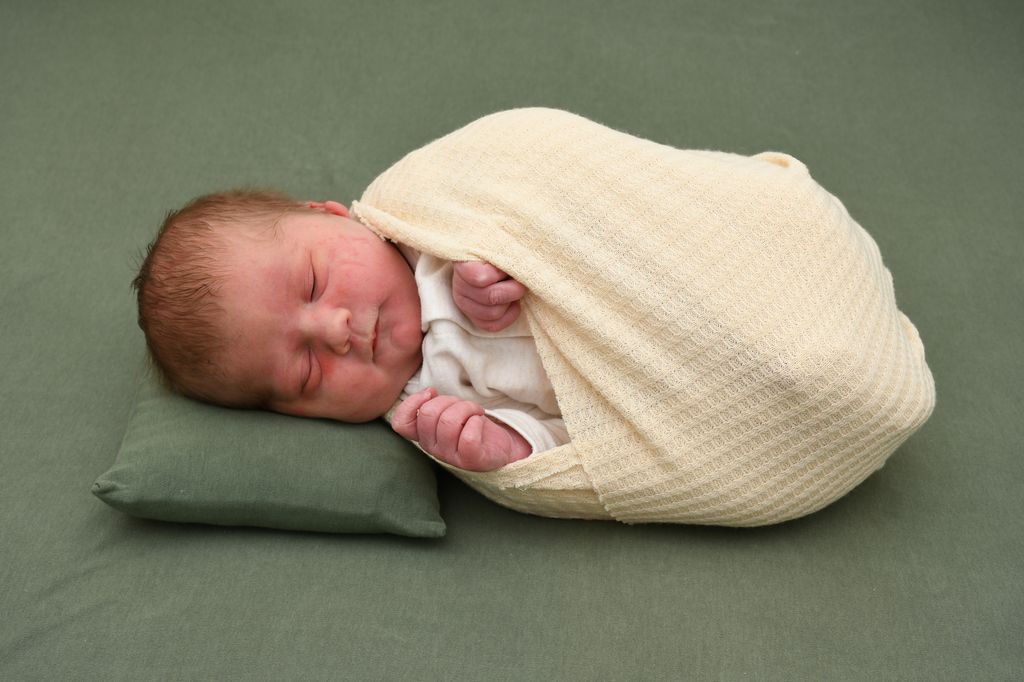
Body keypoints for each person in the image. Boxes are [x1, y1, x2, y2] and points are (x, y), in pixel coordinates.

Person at [132, 189, 569, 473]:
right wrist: (506, 446)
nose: (334, 330)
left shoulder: (426, 223)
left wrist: (489, 255)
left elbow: (529, 194)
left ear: (330, 214)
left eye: (313, 284)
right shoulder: (429, 412)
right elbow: (576, 442)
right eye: (306, 370)